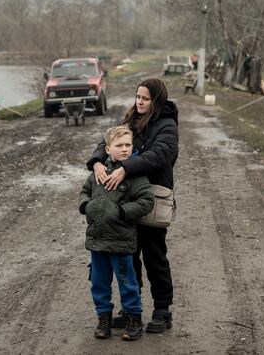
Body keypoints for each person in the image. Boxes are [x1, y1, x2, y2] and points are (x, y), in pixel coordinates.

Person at [86, 78, 179, 333]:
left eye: (145, 98)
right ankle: (131, 308)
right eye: (138, 96)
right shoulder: (131, 120)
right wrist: (96, 161)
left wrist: (125, 169)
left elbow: (160, 155)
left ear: (156, 100)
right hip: (125, 200)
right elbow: (108, 141)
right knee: (130, 256)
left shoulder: (167, 125)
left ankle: (162, 310)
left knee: (155, 256)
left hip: (151, 198)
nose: (139, 102)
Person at [79, 125, 155, 341]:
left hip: (121, 241)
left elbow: (147, 201)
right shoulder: (99, 172)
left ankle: (134, 321)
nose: (124, 149)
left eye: (128, 145)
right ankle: (103, 321)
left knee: (128, 283)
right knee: (99, 282)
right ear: (108, 149)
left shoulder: (134, 175)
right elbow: (85, 191)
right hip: (96, 239)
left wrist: (122, 211)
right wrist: (86, 206)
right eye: (119, 145)